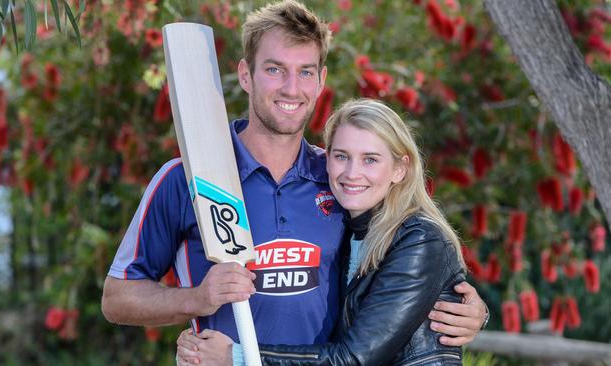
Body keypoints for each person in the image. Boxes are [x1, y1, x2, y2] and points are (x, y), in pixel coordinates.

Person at [102, 0, 486, 351]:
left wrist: (470, 309)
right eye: (275, 69)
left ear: (321, 81)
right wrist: (197, 298)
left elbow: (411, 257)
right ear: (246, 75)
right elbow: (116, 298)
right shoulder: (185, 178)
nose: (291, 88)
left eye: (305, 72)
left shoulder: (342, 180)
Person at [177, 99, 468, 365]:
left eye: (370, 159)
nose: (352, 173)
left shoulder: (419, 240)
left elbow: (355, 358)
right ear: (325, 159)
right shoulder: (347, 230)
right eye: (342, 156)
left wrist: (238, 357)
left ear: (400, 170)